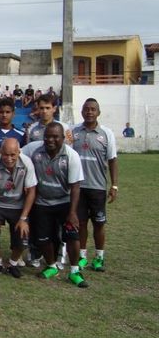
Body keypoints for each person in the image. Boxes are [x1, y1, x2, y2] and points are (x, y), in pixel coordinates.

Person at [23, 122, 86, 287]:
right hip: (42, 203)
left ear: (63, 138)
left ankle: (74, 271)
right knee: (43, 238)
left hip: (65, 202)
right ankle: (51, 266)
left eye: (55, 137)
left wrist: (73, 212)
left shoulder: (71, 155)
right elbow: (15, 152)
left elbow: (75, 186)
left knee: (72, 236)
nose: (50, 140)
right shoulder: (35, 151)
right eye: (47, 136)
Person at [0, 138, 37, 278]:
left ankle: (13, 264)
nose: (9, 158)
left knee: (23, 233)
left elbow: (31, 190)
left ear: (19, 152)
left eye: (13, 155)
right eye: (5, 154)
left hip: (18, 204)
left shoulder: (27, 162)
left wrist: (23, 218)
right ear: (0, 152)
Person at [72, 98, 118, 272]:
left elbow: (112, 160)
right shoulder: (74, 131)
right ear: (82, 111)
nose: (89, 112)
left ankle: (99, 257)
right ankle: (82, 256)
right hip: (78, 187)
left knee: (99, 223)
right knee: (81, 223)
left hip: (98, 187)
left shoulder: (106, 133)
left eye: (93, 109)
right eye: (86, 109)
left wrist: (114, 186)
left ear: (98, 112)